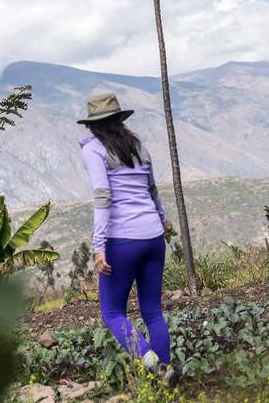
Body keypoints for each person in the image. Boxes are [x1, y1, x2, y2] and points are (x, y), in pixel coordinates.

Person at [78, 93, 178, 383]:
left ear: (93, 125)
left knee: (112, 313)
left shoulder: (94, 149)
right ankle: (166, 379)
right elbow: (152, 188)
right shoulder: (137, 146)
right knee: (152, 311)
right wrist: (163, 219)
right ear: (120, 120)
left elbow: (102, 196)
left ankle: (150, 361)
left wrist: (99, 247)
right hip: (153, 238)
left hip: (122, 240)